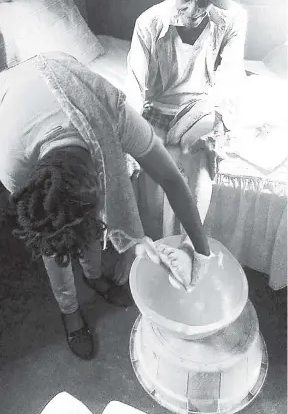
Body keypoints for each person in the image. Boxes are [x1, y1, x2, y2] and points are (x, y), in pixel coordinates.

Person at [0, 51, 211, 361]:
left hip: (60, 68)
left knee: (85, 230)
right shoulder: (12, 164)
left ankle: (93, 275)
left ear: (103, 178)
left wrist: (202, 252)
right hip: (11, 92)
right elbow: (50, 228)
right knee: (55, 240)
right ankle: (69, 311)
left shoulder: (113, 113)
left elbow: (174, 181)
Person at [126, 0, 247, 240]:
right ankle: (158, 252)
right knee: (152, 195)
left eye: (205, 0)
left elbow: (231, 76)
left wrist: (216, 120)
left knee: (196, 181)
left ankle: (185, 249)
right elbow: (134, 87)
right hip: (157, 110)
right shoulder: (148, 23)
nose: (195, 10)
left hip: (199, 108)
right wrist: (129, 142)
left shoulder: (230, 20)